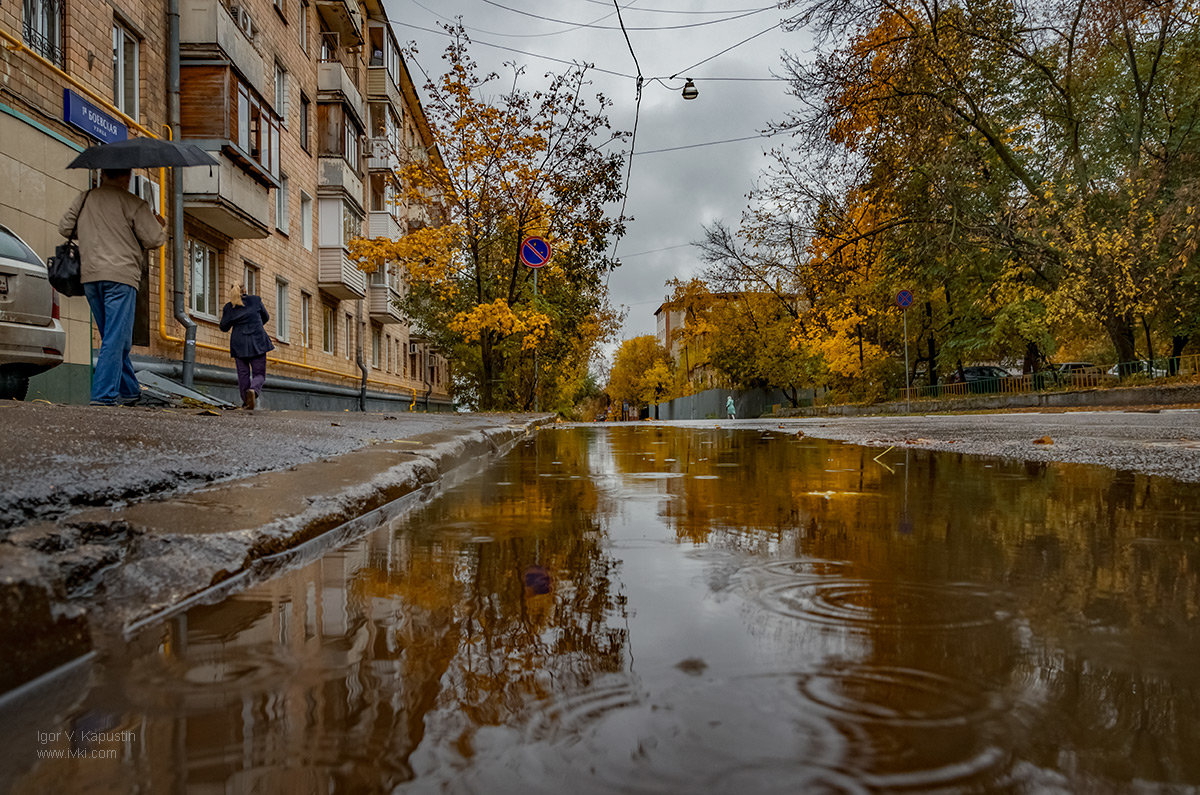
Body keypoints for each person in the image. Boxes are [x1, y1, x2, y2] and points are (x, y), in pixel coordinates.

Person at [58, 168, 167, 406]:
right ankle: (102, 396)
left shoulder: (85, 197)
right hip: (120, 277)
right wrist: (158, 223)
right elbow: (154, 239)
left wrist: (90, 229)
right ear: (127, 177)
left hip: (90, 276)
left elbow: (65, 228)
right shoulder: (133, 202)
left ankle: (129, 391)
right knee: (115, 338)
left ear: (103, 174)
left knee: (114, 337)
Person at [219, 283, 274, 409]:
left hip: (239, 343)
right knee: (259, 374)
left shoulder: (229, 307)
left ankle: (246, 401)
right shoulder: (255, 300)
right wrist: (256, 324)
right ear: (245, 290)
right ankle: (253, 391)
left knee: (243, 374)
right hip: (257, 341)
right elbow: (266, 317)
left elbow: (224, 327)